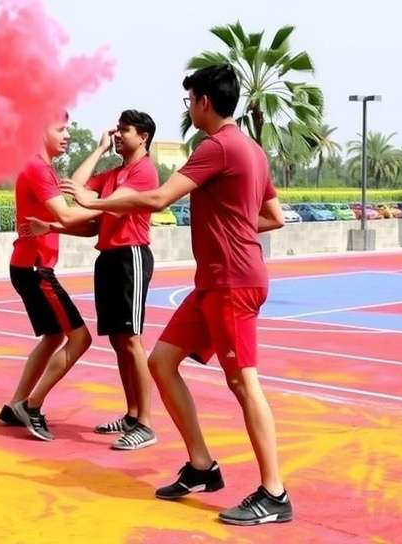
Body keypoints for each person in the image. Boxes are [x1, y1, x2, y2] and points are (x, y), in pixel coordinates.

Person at [61, 65, 292, 525]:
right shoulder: (250, 149)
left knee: (244, 383)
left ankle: (274, 493)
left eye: (190, 100)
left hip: (232, 282)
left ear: (205, 101)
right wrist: (235, 227)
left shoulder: (218, 146)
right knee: (161, 361)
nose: (188, 108)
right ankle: (202, 465)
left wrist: (94, 202)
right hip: (214, 282)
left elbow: (156, 199)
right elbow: (274, 216)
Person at [0, 112, 102, 442]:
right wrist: (117, 205)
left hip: (28, 265)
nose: (67, 133)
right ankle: (32, 405)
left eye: (69, 126)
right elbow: (69, 213)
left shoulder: (41, 167)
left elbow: (70, 201)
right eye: (61, 127)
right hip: (35, 268)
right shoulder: (37, 168)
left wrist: (99, 150)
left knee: (54, 337)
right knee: (80, 338)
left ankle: (15, 404)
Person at [63, 110, 159, 450]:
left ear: (143, 136)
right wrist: (99, 149)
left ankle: (146, 423)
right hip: (108, 258)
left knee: (131, 339)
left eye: (125, 130)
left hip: (130, 256)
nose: (118, 135)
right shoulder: (115, 172)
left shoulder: (144, 172)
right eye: (116, 130)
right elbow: (76, 187)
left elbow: (114, 207)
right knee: (118, 342)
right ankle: (132, 415)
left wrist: (90, 203)